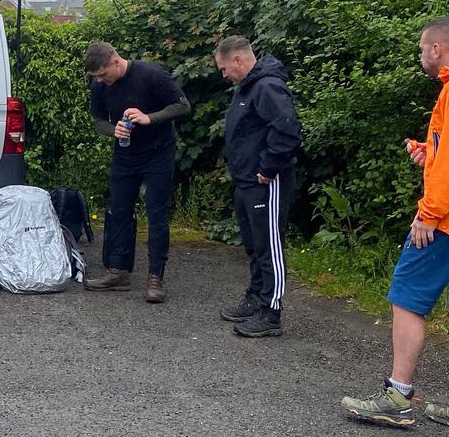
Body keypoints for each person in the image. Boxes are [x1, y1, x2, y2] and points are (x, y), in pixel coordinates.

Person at [342, 17, 449, 435]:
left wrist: (429, 213)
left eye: (422, 49)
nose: (421, 56)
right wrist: (428, 153)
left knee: (406, 296)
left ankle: (397, 398)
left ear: (437, 48)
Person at [83, 41, 190, 304]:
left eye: (102, 75)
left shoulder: (150, 74)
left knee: (156, 213)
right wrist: (113, 130)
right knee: (119, 211)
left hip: (158, 153)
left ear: (116, 62)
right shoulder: (99, 85)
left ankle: (156, 278)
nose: (100, 81)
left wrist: (148, 118)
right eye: (95, 77)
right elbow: (98, 120)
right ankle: (118, 271)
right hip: (125, 154)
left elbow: (183, 106)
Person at [213, 36, 303, 337]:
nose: (223, 75)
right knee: (253, 244)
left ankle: (271, 312)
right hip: (246, 180)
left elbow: (287, 128)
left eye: (224, 69)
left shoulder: (267, 87)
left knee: (269, 245)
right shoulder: (246, 88)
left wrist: (268, 167)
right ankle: (255, 297)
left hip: (266, 180)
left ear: (239, 60)